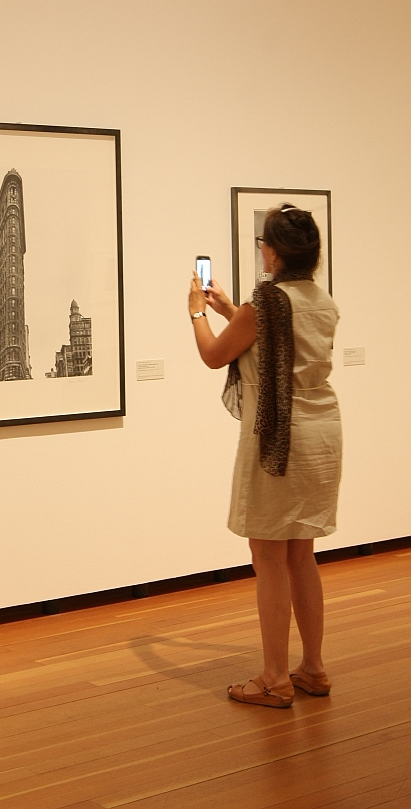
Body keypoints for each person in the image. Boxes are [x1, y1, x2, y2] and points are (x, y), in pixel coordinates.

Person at [188, 204, 341, 709]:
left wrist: (195, 312)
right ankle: (312, 669)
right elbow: (272, 346)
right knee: (302, 554)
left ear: (272, 251)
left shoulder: (268, 302)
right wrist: (231, 309)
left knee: (270, 557)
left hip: (279, 438)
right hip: (321, 436)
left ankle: (275, 677)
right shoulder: (320, 300)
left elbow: (215, 355)